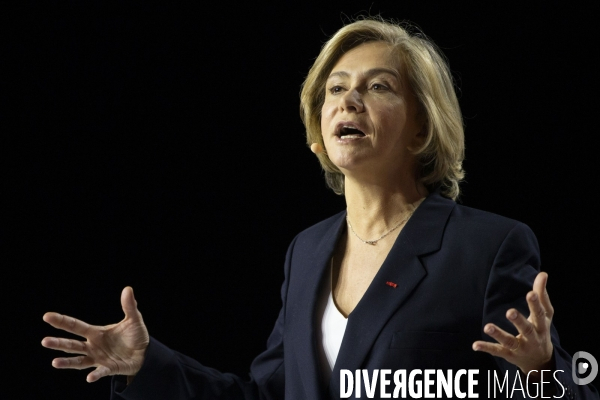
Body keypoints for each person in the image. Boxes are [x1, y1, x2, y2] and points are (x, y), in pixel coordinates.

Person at [41, 18, 599, 399]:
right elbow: (269, 395)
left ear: (423, 126)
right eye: (335, 89)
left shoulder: (488, 247)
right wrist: (147, 365)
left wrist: (543, 373)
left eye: (378, 86)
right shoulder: (306, 252)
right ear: (318, 132)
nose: (349, 100)